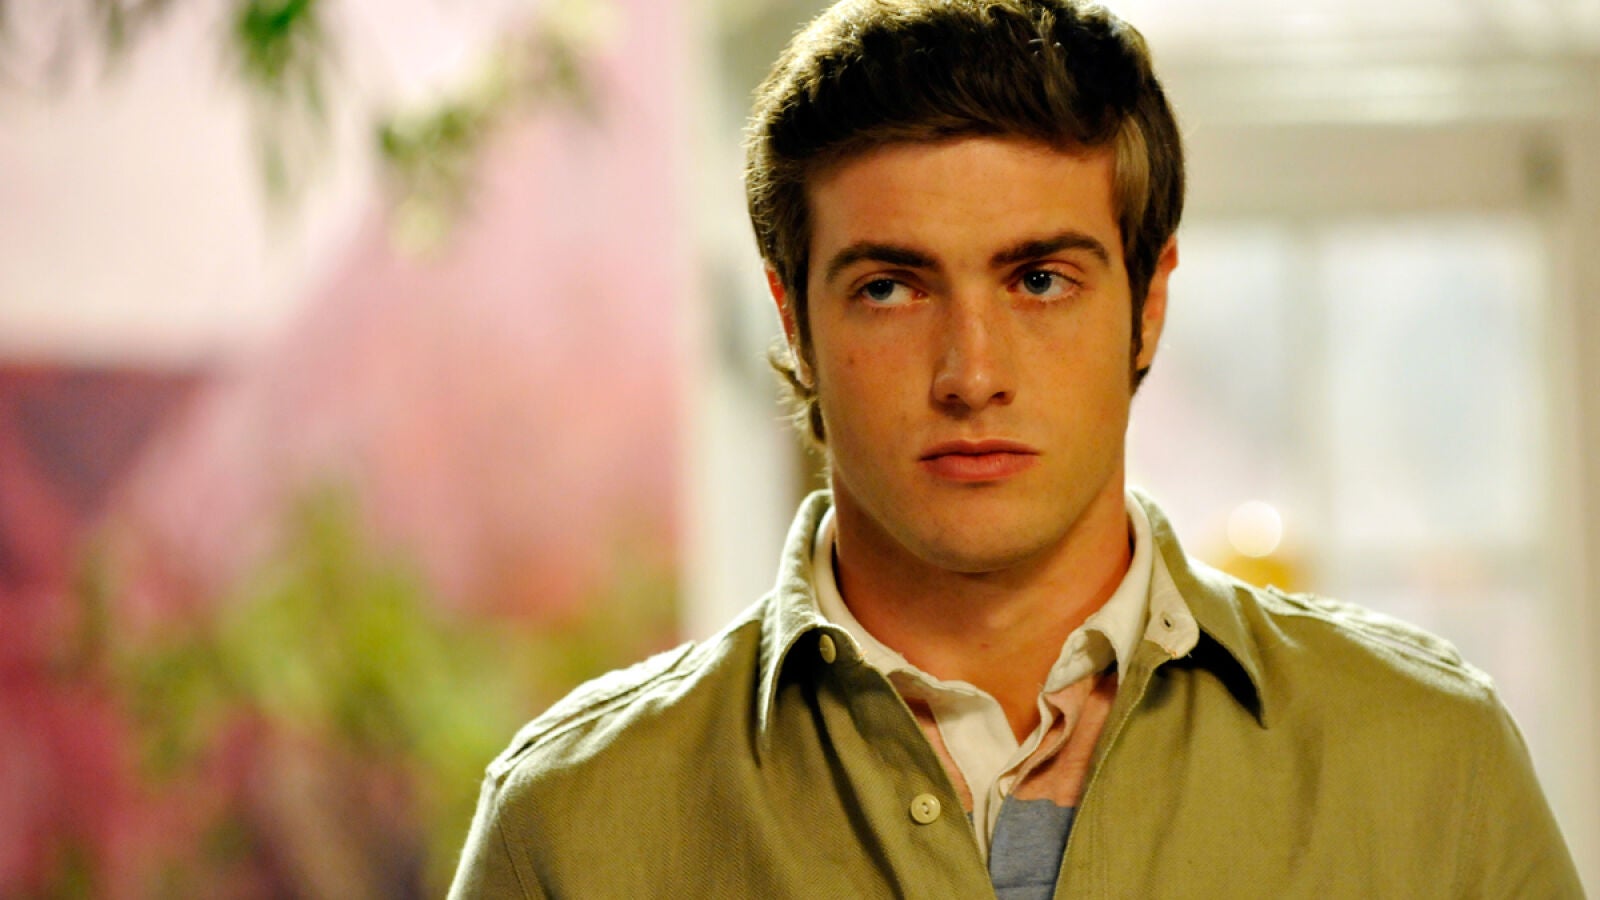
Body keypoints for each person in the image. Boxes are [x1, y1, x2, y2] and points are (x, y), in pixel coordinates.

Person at [449, 1, 1583, 896]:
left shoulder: (1431, 766)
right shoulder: (576, 824)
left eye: (1040, 279)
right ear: (793, 320)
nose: (972, 373)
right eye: (890, 287)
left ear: (1148, 305)